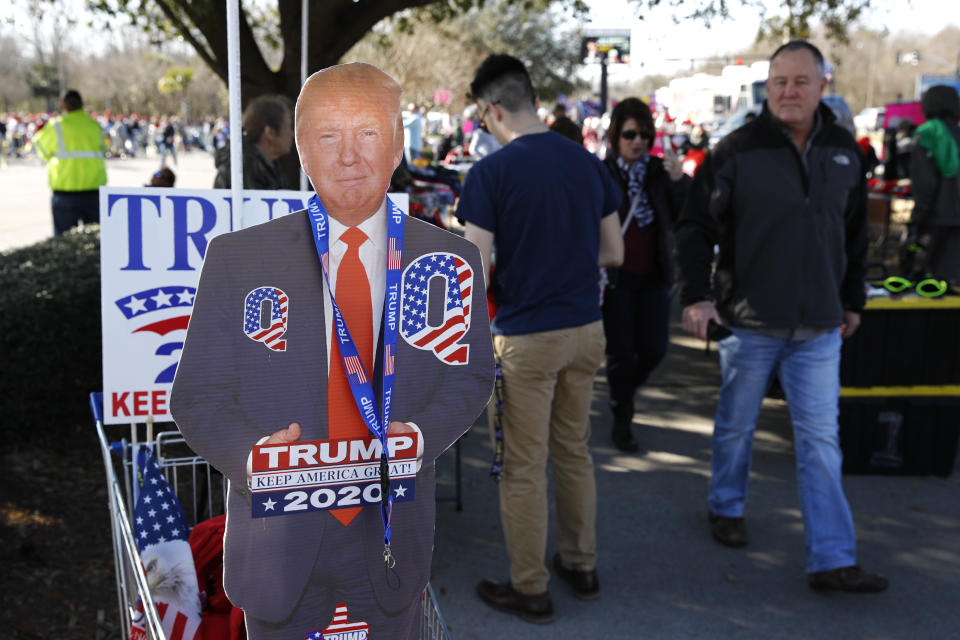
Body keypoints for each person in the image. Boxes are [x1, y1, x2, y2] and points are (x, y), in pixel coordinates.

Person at [171, 63, 495, 639]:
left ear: (397, 146)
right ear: (300, 148)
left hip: (390, 538)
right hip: (279, 543)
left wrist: (420, 437)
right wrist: (252, 456)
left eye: (368, 133)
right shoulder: (238, 260)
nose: (349, 155)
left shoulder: (448, 262)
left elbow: (469, 381)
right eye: (328, 136)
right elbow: (197, 397)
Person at [675, 40, 888, 593]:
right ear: (765, 89)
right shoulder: (736, 150)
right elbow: (695, 228)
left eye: (800, 81)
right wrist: (695, 296)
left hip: (819, 328)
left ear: (822, 86)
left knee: (821, 442)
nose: (788, 91)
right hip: (749, 323)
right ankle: (726, 506)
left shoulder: (845, 150)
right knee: (736, 429)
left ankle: (833, 559)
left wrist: (851, 302)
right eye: (779, 82)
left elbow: (854, 235)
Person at [457, 54, 623, 623]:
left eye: (482, 117)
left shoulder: (490, 173)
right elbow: (614, 252)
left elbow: (473, 270)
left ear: (493, 110)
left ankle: (530, 586)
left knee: (523, 465)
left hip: (526, 336)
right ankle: (582, 563)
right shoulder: (587, 162)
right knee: (573, 451)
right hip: (585, 330)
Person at [602, 97, 690, 452]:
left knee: (653, 350)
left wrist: (679, 180)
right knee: (623, 352)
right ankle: (622, 417)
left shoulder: (659, 172)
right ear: (615, 136)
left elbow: (686, 216)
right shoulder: (602, 172)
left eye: (644, 134)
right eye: (629, 134)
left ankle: (622, 395)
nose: (638, 141)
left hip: (654, 274)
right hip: (616, 277)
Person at [31, 89, 108, 235]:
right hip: (93, 191)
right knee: (96, 241)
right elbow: (105, 147)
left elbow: (40, 149)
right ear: (82, 104)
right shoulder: (94, 125)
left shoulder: (56, 126)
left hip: (64, 191)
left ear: (62, 105)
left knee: (63, 242)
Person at [908, 85, 960, 285]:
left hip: (936, 221)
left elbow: (924, 184)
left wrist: (917, 221)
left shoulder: (927, 134)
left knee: (931, 287)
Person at [213, 95, 294, 190]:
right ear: (270, 133)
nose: (292, 134)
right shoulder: (243, 167)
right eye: (288, 127)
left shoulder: (269, 164)